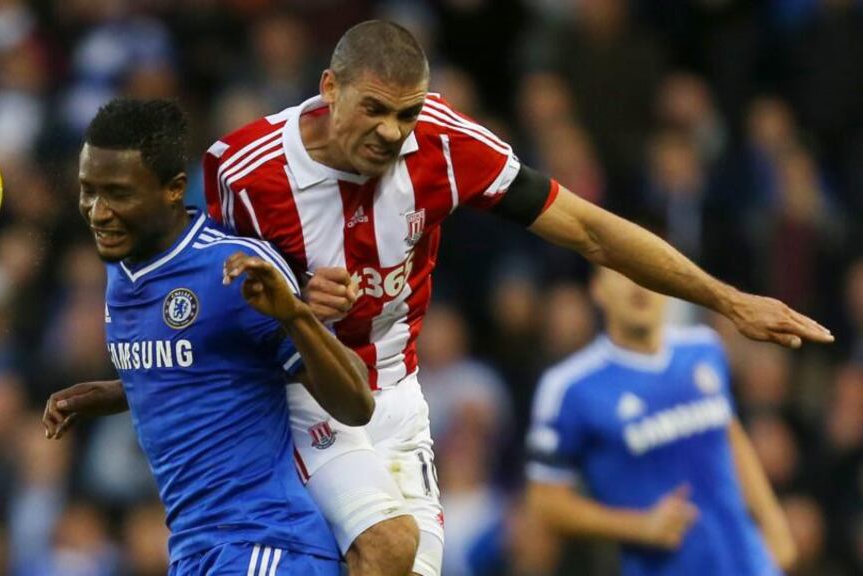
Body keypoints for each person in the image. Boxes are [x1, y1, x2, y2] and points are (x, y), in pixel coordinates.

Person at [50, 21, 831, 576]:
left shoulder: (450, 149)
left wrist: (728, 300)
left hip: (398, 397)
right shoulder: (245, 170)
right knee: (384, 549)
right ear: (329, 91)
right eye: (375, 111)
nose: (393, 133)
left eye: (408, 113)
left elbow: (590, 231)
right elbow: (204, 307)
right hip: (306, 398)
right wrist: (139, 384)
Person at [42, 98, 374, 575]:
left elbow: (357, 401)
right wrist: (117, 392)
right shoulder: (122, 269)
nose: (98, 212)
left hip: (266, 542)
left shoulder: (231, 269)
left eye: (118, 194)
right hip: (196, 551)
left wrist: (294, 315)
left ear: (174, 189)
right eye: (88, 191)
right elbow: (210, 366)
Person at [525, 267, 797, 575]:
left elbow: (729, 434)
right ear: (597, 288)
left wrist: (773, 521)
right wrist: (638, 526)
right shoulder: (569, 387)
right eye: (621, 271)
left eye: (646, 271)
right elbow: (545, 503)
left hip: (748, 564)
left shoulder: (704, 347)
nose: (639, 284)